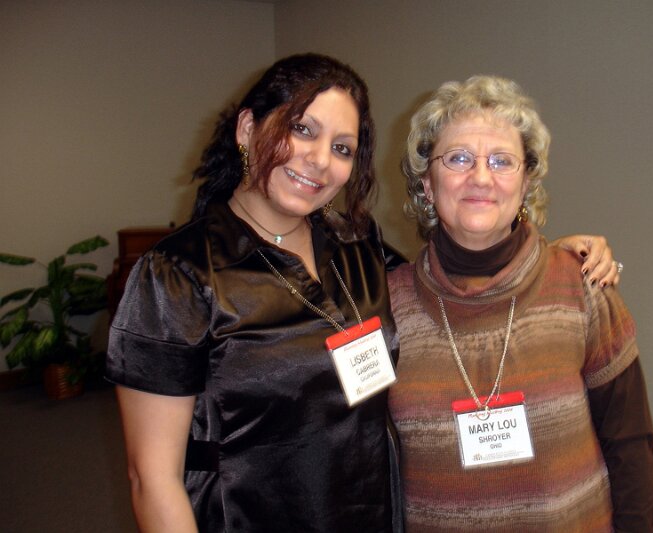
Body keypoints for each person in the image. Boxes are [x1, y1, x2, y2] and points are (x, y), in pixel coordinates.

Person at [106, 53, 619, 532]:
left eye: (342, 148)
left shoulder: (355, 243)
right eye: (301, 129)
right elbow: (151, 480)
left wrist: (544, 255)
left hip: (371, 513)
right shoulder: (178, 275)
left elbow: (446, 279)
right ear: (247, 129)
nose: (318, 160)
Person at [387, 76, 653, 532]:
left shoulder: (583, 286)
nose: (480, 177)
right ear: (427, 184)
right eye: (458, 158)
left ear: (526, 182)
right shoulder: (387, 306)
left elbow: (629, 443)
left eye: (501, 160)